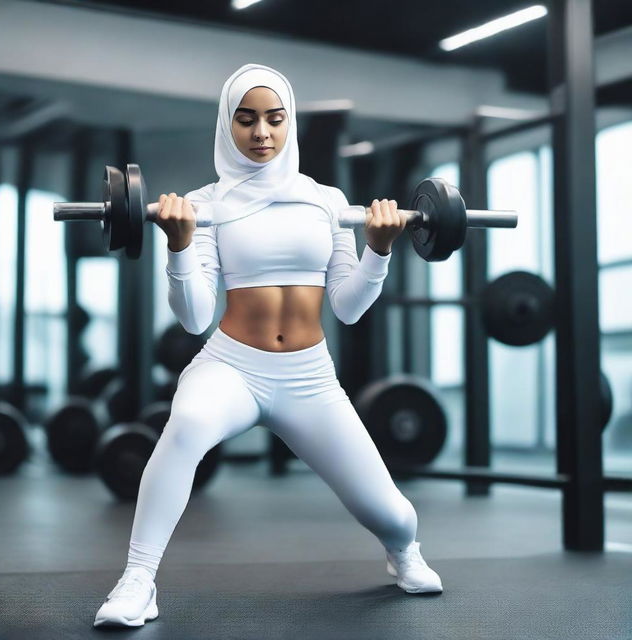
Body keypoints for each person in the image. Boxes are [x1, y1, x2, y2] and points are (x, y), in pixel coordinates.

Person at [94, 63, 443, 628]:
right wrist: (180, 246)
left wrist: (378, 249)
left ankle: (403, 551)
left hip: (310, 378)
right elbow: (195, 318)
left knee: (396, 515)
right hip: (232, 366)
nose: (262, 133)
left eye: (275, 120)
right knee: (184, 426)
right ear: (226, 126)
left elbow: (348, 307)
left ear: (290, 124)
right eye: (247, 119)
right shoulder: (204, 205)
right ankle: (138, 579)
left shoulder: (327, 201)